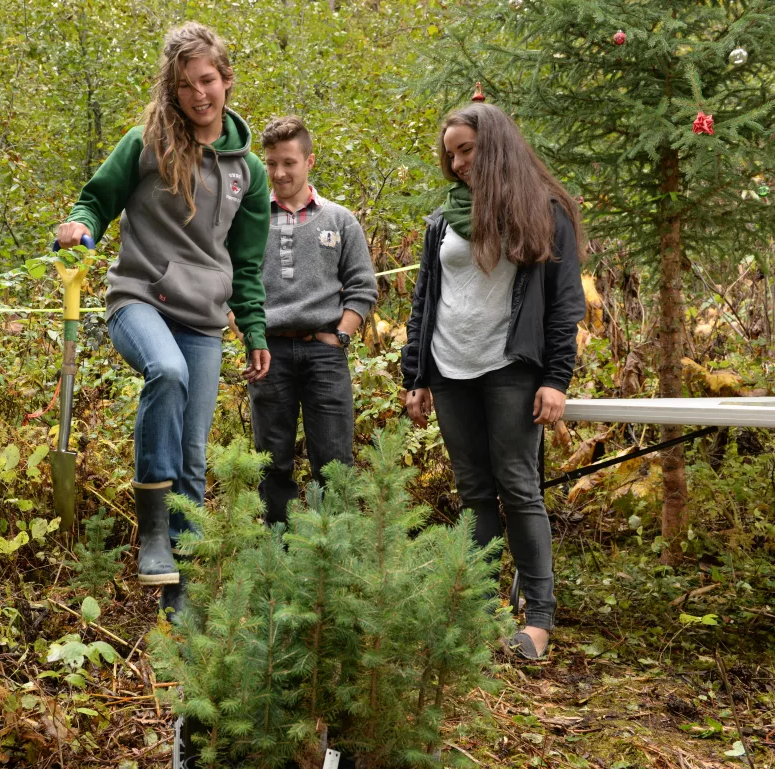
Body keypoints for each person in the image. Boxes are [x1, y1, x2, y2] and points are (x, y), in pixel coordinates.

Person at [56, 22, 271, 611]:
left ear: (226, 80)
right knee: (166, 373)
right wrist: (81, 228)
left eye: (208, 80)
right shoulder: (146, 143)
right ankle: (153, 532)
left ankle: (183, 593)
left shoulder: (248, 174)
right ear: (171, 92)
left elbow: (246, 264)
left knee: (195, 456)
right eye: (184, 86)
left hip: (204, 319)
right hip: (138, 299)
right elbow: (97, 199)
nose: (199, 94)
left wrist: (253, 328)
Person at [401, 103, 585, 660]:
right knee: (474, 493)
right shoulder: (442, 220)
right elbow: (423, 300)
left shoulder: (544, 211)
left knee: (519, 488)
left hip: (510, 369)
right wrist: (416, 375)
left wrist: (555, 378)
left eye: (467, 150)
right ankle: (479, 613)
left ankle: (539, 620)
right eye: (450, 153)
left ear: (497, 146)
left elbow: (564, 304)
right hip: (449, 369)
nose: (456, 163)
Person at [247, 116, 377, 525]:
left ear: (309, 161)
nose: (279, 172)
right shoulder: (249, 221)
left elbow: (363, 287)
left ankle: (331, 560)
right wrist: (247, 333)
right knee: (272, 463)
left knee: (334, 463)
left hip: (324, 353)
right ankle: (275, 555)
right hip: (269, 353)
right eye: (271, 164)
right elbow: (230, 283)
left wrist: (341, 335)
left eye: (289, 162)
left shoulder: (339, 221)